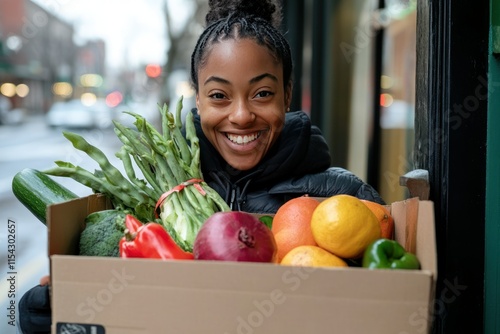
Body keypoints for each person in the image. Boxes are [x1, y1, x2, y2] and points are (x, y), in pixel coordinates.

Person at [18, 0, 384, 332]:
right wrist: (46, 316)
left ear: (287, 94)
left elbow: (383, 306)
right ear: (198, 98)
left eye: (262, 93)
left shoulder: (345, 198)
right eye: (219, 96)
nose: (241, 116)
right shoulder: (146, 209)